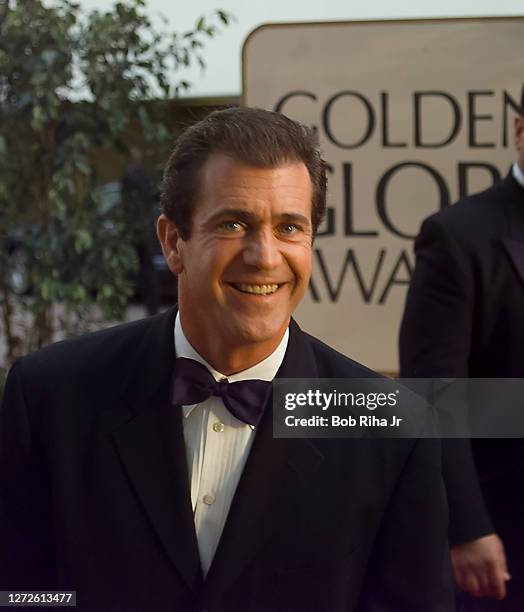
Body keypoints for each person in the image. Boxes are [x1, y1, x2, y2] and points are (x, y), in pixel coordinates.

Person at [1, 107, 452, 611]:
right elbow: (20, 591)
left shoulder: (393, 426)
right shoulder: (50, 394)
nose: (264, 256)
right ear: (174, 243)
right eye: (234, 223)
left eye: (288, 228)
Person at [400, 85, 524, 610]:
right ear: (520, 132)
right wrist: (466, 526)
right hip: (505, 533)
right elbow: (434, 394)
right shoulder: (457, 236)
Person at [121, 146, 161, 315]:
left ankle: (124, 303)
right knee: (147, 269)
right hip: (145, 229)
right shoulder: (145, 179)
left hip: (134, 230)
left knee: (131, 267)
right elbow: (155, 198)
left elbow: (126, 206)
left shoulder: (128, 178)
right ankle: (152, 307)